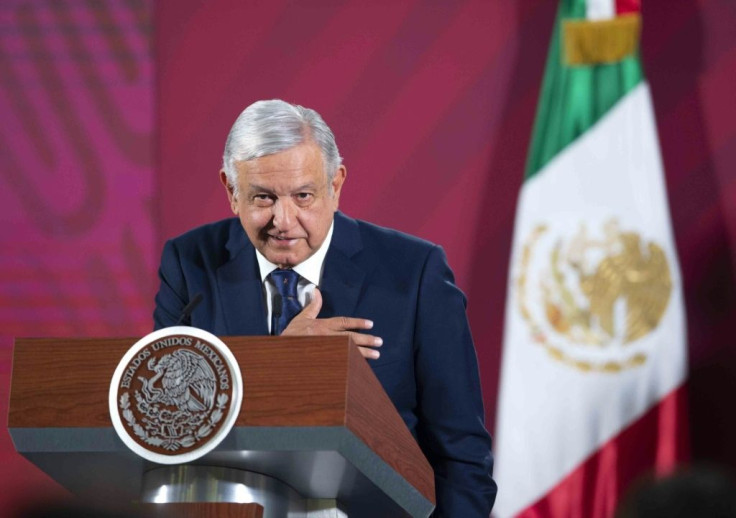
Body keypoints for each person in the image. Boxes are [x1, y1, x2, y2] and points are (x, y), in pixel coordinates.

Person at [153, 99, 497, 516]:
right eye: (262, 198)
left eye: (303, 196)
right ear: (231, 191)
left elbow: (462, 456)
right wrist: (279, 361)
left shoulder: (414, 273)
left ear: (335, 186)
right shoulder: (190, 265)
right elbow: (162, 420)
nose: (283, 220)